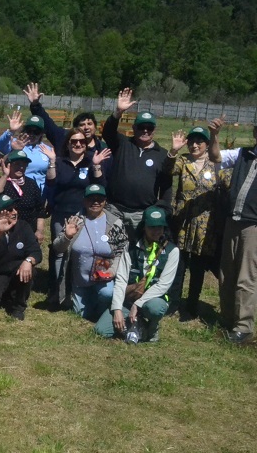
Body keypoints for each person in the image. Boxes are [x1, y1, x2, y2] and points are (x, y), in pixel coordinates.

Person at [162, 124, 223, 320]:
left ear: (207, 144)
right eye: (192, 141)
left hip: (205, 227)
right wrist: (173, 151)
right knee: (178, 265)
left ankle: (192, 305)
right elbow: (167, 171)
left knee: (197, 268)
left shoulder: (216, 165)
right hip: (182, 223)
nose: (195, 145)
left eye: (200, 141)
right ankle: (173, 302)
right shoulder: (183, 161)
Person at [94, 206, 179, 343]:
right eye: (152, 227)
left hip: (152, 300)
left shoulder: (172, 251)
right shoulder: (131, 247)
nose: (156, 231)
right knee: (101, 330)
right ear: (144, 226)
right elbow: (121, 280)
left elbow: (164, 285)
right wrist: (117, 310)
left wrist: (138, 304)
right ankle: (138, 325)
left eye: (160, 227)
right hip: (129, 298)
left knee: (155, 309)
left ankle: (152, 327)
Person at [45, 127, 110, 303]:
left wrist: (96, 165)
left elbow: (101, 184)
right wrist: (52, 161)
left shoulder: (90, 161)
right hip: (60, 214)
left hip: (83, 215)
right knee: (59, 252)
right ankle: (57, 293)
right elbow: (51, 182)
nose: (78, 144)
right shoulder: (59, 161)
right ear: (68, 144)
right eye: (74, 141)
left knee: (78, 253)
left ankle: (74, 291)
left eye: (81, 141)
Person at [102, 89, 172, 243]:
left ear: (154, 130)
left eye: (149, 127)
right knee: (108, 249)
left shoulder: (162, 154)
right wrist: (118, 112)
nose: (145, 130)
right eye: (141, 127)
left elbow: (166, 186)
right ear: (134, 128)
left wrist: (163, 209)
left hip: (141, 213)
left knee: (137, 250)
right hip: (115, 209)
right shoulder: (122, 143)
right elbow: (107, 132)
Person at [52, 184, 128, 321]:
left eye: (100, 199)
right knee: (82, 315)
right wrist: (67, 236)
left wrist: (112, 270)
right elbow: (57, 248)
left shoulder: (115, 223)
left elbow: (121, 251)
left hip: (104, 278)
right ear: (84, 200)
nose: (96, 202)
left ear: (105, 201)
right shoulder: (75, 220)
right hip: (80, 280)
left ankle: (103, 309)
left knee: (107, 294)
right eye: (91, 199)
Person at [215, 118, 257, 344]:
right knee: (227, 272)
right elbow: (216, 157)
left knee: (246, 276)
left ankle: (244, 326)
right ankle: (228, 317)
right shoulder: (244, 154)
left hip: (253, 225)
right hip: (233, 219)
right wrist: (214, 136)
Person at [0, 194, 42, 320]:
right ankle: (4, 294)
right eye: (10, 210)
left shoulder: (23, 226)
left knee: (30, 269)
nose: (15, 212)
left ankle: (18, 306)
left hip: (17, 272)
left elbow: (36, 252)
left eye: (15, 208)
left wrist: (28, 261)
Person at [0, 149, 47, 244]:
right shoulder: (2, 182)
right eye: (17, 164)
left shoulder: (31, 184)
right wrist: (5, 175)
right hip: (6, 231)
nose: (21, 167)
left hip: (28, 231)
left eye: (24, 164)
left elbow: (40, 210)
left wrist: (39, 231)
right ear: (8, 165)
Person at [0, 111, 53, 191]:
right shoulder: (16, 143)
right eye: (29, 130)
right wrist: (11, 131)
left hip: (38, 194)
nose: (32, 134)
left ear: (42, 133)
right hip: (16, 190)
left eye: (36, 131)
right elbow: (0, 145)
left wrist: (53, 159)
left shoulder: (47, 150)